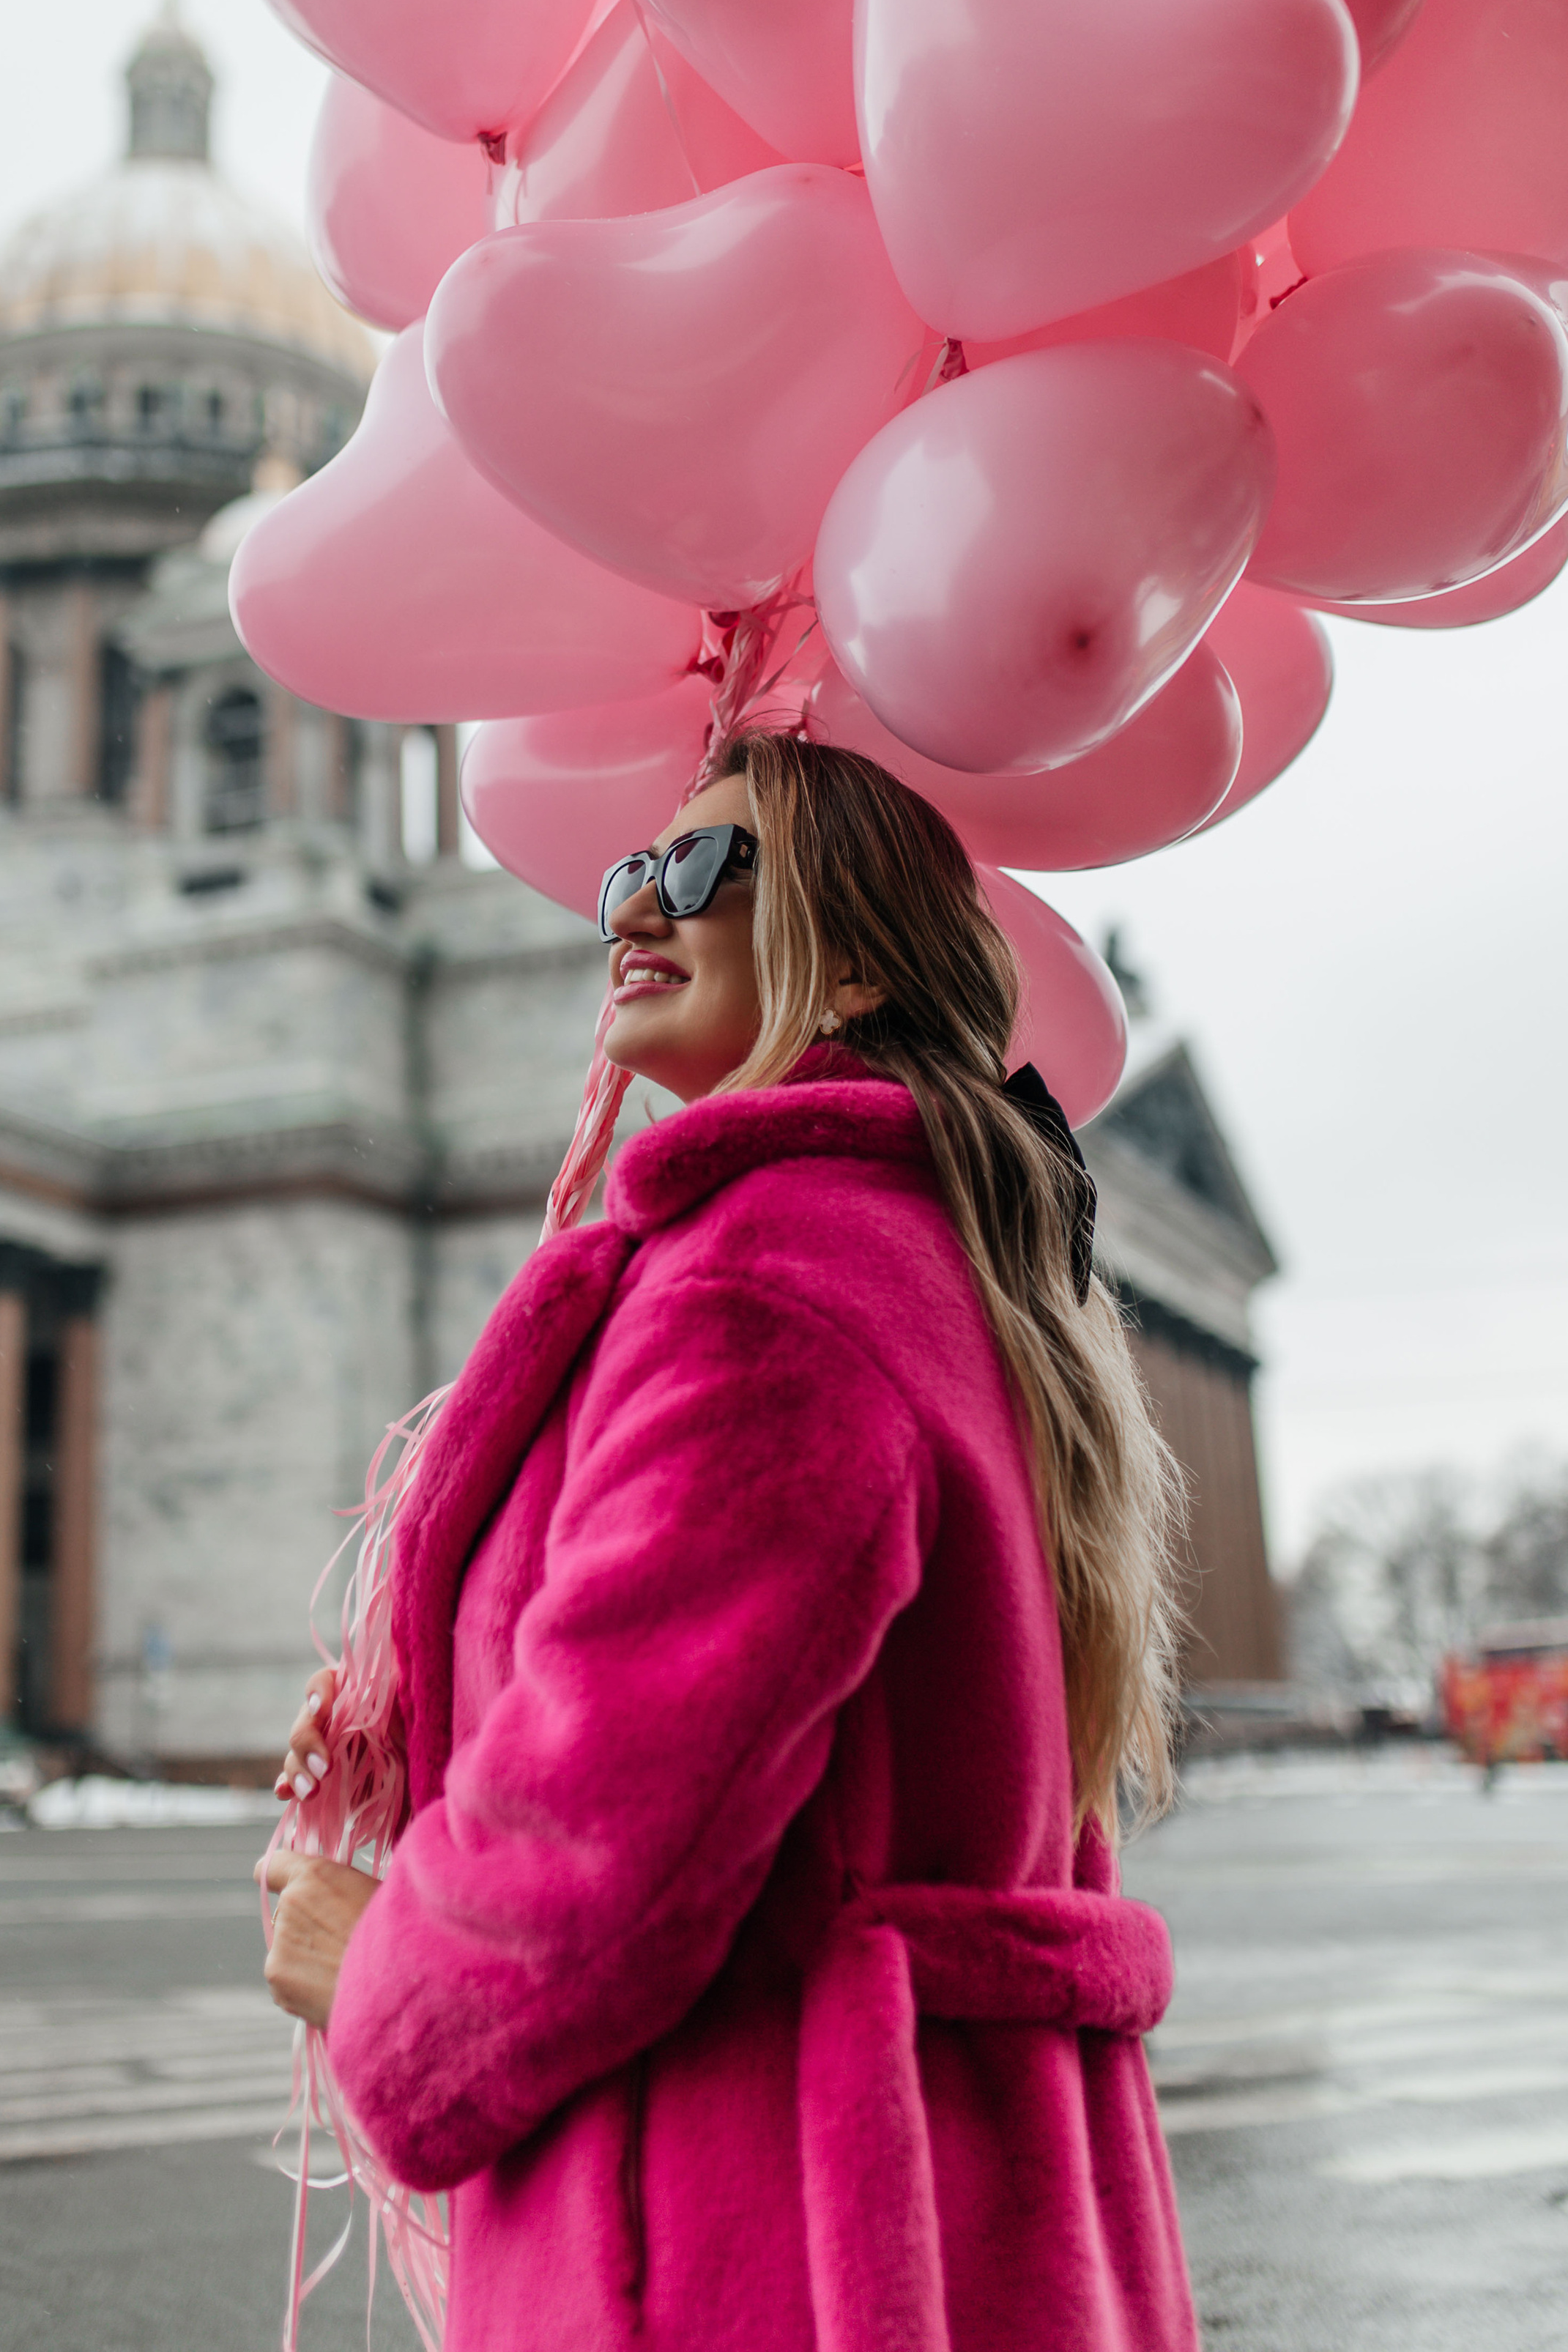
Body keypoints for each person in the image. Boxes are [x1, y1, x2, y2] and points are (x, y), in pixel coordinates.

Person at [258, 730, 1197, 2352]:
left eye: (695, 871)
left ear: (843, 960)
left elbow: (612, 1823)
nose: (627, 911)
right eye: (627, 872)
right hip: (938, 2196)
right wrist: (428, 1726)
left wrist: (380, 1979)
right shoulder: (913, 1251)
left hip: (754, 2232)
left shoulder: (764, 1285)